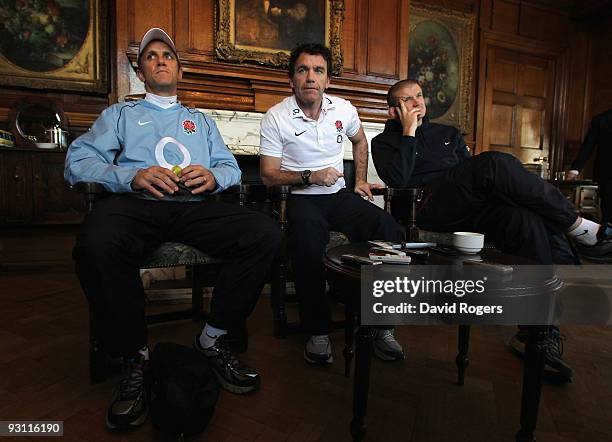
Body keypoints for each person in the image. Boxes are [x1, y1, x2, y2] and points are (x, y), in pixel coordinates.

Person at [65, 28, 281, 431]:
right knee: (95, 243)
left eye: (168, 55)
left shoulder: (199, 122)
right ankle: (135, 357)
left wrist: (214, 176)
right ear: (141, 70)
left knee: (265, 232)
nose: (160, 60)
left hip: (193, 208)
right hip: (137, 205)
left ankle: (213, 337)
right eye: (151, 56)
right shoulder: (120, 115)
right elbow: (77, 162)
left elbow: (231, 168)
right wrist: (131, 175)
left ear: (179, 69)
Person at [371, 79, 612, 382]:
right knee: (495, 162)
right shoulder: (383, 143)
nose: (417, 103)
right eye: (407, 100)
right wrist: (408, 132)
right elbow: (400, 180)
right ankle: (578, 228)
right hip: (426, 207)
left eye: (419, 96)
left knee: (525, 220)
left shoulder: (448, 134)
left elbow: (474, 179)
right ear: (393, 110)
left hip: (468, 208)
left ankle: (536, 332)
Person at [259, 43, 406, 365]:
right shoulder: (276, 117)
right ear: (291, 80)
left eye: (318, 70)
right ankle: (318, 331)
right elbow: (269, 175)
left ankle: (381, 325)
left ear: (327, 80)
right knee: (308, 238)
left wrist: (361, 180)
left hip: (338, 197)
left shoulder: (343, 109)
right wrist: (310, 176)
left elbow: (360, 139)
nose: (310, 77)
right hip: (301, 199)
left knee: (387, 227)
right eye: (303, 70)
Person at [566, 109, 612, 224]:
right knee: (609, 217)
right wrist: (575, 169)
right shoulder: (601, 120)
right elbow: (588, 146)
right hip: (608, 177)